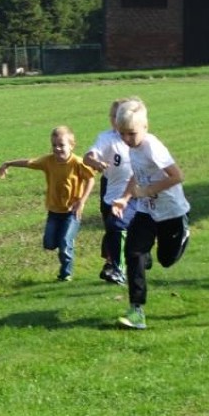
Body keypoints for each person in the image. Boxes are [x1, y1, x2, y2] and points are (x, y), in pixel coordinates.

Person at [112, 99, 190, 330]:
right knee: (133, 251)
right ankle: (137, 311)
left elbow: (177, 176)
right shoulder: (133, 148)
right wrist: (126, 198)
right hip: (147, 211)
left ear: (145, 127)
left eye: (131, 134)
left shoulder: (152, 147)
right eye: (122, 134)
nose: (126, 139)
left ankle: (185, 232)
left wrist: (149, 191)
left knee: (166, 260)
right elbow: (137, 174)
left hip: (172, 213)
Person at [0, 126, 96, 282]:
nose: (57, 149)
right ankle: (66, 241)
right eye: (54, 145)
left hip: (72, 211)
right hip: (54, 211)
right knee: (49, 244)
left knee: (64, 243)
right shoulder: (48, 161)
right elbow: (29, 162)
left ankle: (65, 273)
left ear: (72, 145)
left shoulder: (78, 163)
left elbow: (90, 179)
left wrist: (82, 201)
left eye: (61, 145)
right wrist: (8, 163)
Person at [83, 98, 134, 286]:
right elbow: (89, 157)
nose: (116, 119)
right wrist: (96, 162)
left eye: (120, 115)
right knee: (112, 227)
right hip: (111, 189)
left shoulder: (138, 138)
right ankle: (113, 263)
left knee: (119, 225)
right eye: (113, 115)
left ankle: (118, 266)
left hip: (135, 191)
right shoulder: (106, 138)